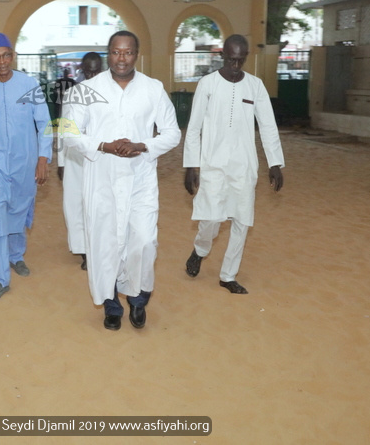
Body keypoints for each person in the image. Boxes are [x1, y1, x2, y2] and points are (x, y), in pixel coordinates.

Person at [63, 31, 180, 331]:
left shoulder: (153, 89)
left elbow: (172, 133)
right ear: (108, 54)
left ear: (137, 55)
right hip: (101, 178)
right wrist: (104, 146)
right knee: (105, 243)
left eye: (128, 52)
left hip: (140, 178)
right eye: (116, 52)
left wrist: (142, 146)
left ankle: (138, 301)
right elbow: (69, 133)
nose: (122, 58)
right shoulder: (85, 89)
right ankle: (112, 306)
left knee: (143, 240)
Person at [183, 34, 284, 294]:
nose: (235, 65)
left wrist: (275, 163)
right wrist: (191, 166)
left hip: (244, 165)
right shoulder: (207, 84)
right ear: (223, 56)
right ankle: (200, 249)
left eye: (240, 60)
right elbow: (193, 129)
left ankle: (228, 275)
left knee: (242, 220)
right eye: (231, 59)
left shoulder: (256, 86)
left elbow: (268, 126)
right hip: (212, 164)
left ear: (246, 57)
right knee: (211, 220)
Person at [0, 33, 52, 300]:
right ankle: (0, 277)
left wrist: (43, 158)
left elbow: (44, 123)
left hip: (24, 159)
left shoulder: (29, 84)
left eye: (6, 55)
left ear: (13, 56)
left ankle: (16, 255)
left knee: (19, 208)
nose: (2, 61)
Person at [57, 51, 103, 270]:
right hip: (75, 159)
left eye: (96, 70)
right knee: (75, 203)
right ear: (82, 70)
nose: (92, 74)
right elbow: (64, 128)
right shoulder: (72, 94)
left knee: (100, 203)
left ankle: (98, 245)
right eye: (88, 70)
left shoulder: (111, 94)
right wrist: (60, 162)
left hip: (103, 158)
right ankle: (83, 249)